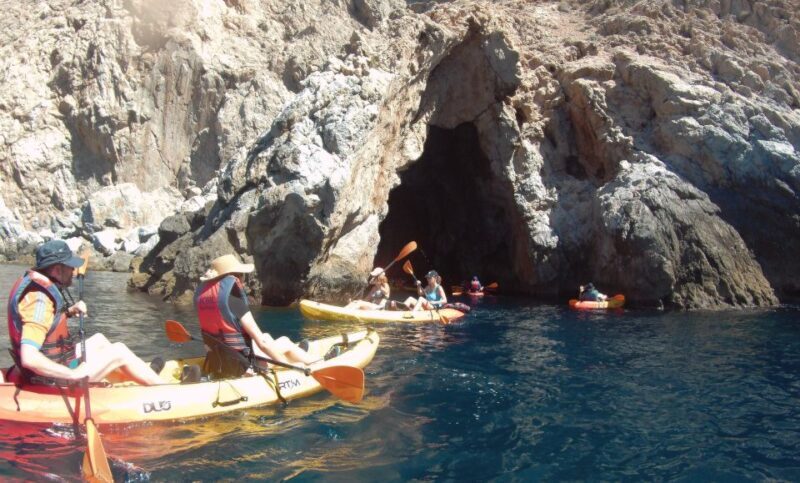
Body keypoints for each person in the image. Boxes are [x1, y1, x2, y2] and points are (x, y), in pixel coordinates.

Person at [6, 240, 164, 386]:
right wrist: (72, 374)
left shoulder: (35, 289)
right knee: (119, 351)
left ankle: (141, 376)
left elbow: (45, 326)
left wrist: (68, 312)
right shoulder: (39, 301)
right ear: (56, 270)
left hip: (56, 363)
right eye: (69, 266)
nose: (74, 271)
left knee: (100, 340)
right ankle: (165, 390)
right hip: (48, 378)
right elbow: (29, 358)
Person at [194, 254, 319, 378]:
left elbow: (208, 344)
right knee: (281, 342)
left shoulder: (203, 299)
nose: (243, 279)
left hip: (220, 362)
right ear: (235, 276)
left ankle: (300, 355)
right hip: (243, 367)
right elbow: (262, 344)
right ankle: (317, 364)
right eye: (242, 275)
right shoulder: (234, 300)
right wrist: (288, 367)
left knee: (269, 337)